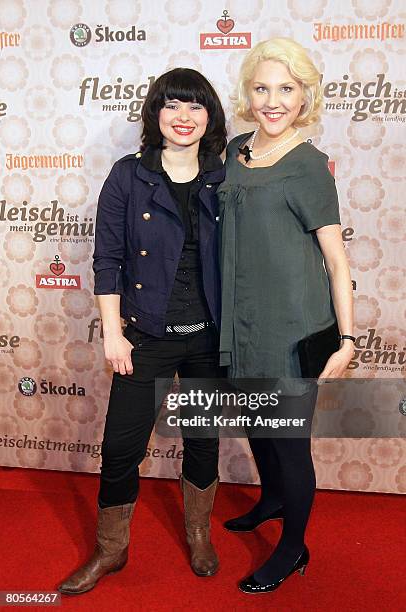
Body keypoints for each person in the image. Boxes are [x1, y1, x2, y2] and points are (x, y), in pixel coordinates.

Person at [58, 68, 227, 595]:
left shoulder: (226, 176)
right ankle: (111, 550)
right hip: (145, 335)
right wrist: (113, 331)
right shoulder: (128, 175)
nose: (184, 117)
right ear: (156, 114)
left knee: (202, 441)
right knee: (120, 448)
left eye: (195, 106)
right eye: (172, 105)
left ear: (210, 116)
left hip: (208, 337)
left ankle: (198, 531)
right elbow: (106, 257)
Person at [217, 38, 355, 594]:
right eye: (262, 88)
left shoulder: (309, 166)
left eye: (287, 89)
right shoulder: (234, 150)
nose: (273, 101)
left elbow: (336, 257)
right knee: (255, 423)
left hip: (293, 327)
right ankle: (270, 499)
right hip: (239, 320)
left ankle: (294, 547)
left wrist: (347, 339)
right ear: (248, 94)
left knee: (289, 441)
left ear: (305, 95)